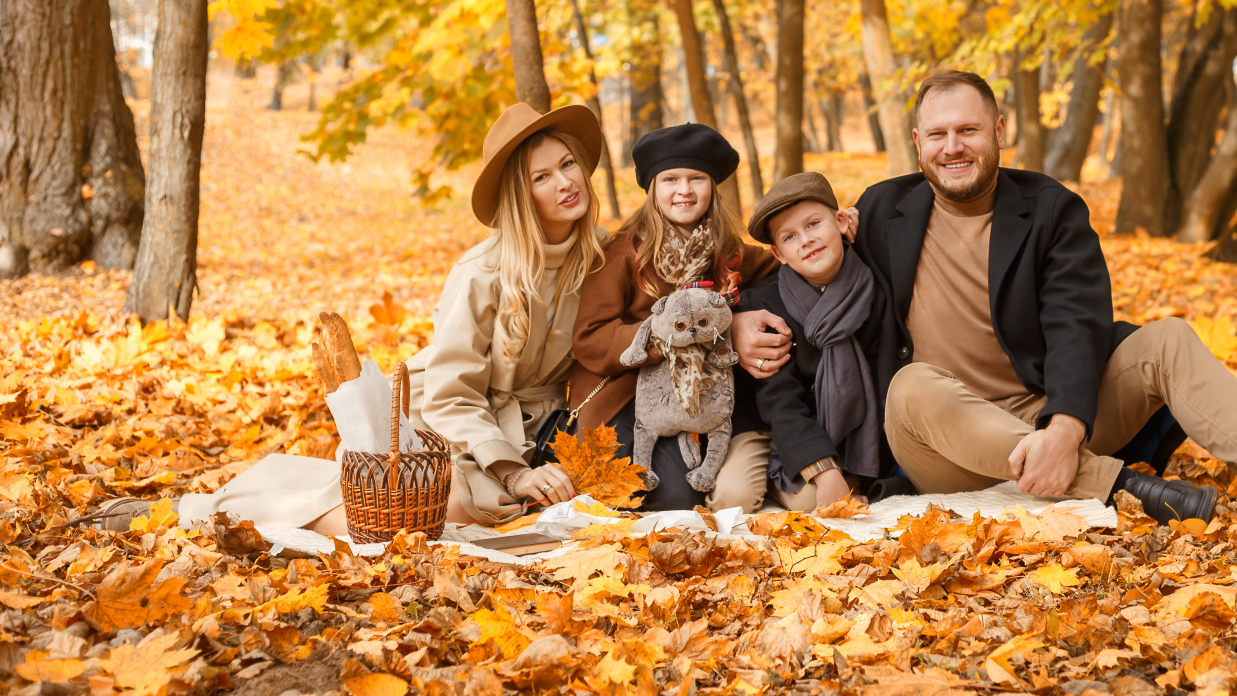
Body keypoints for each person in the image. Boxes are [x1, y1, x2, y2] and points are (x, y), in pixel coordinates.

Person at [850, 70, 1237, 526]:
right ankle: (1122, 485)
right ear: (918, 142)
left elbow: (1077, 321)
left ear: (998, 130)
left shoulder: (1049, 208)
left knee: (1168, 339)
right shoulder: (880, 211)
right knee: (910, 385)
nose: (954, 147)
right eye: (938, 134)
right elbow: (786, 260)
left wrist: (1064, 427)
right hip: (943, 446)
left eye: (968, 130)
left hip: (1045, 416)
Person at [97, 103, 610, 535]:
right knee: (438, 515)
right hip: (451, 423)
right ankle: (197, 512)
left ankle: (306, 490)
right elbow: (455, 394)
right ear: (523, 196)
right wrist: (511, 470)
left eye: (568, 164)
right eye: (543, 176)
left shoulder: (602, 257)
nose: (566, 182)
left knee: (508, 515)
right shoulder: (481, 273)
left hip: (535, 430)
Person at [571, 123, 786, 511]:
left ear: (712, 187)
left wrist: (839, 226)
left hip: (699, 400)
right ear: (653, 188)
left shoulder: (727, 250)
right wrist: (660, 336)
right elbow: (590, 337)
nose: (684, 190)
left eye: (696, 178)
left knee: (690, 488)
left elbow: (782, 266)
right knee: (666, 495)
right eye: (670, 179)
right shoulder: (624, 252)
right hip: (630, 398)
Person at [739, 172, 911, 510]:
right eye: (790, 237)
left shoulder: (879, 284)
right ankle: (797, 473)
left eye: (814, 224)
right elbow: (780, 401)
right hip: (798, 430)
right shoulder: (768, 307)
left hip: (868, 435)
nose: (806, 240)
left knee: (826, 498)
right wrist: (822, 468)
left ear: (842, 221)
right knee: (780, 499)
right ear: (779, 255)